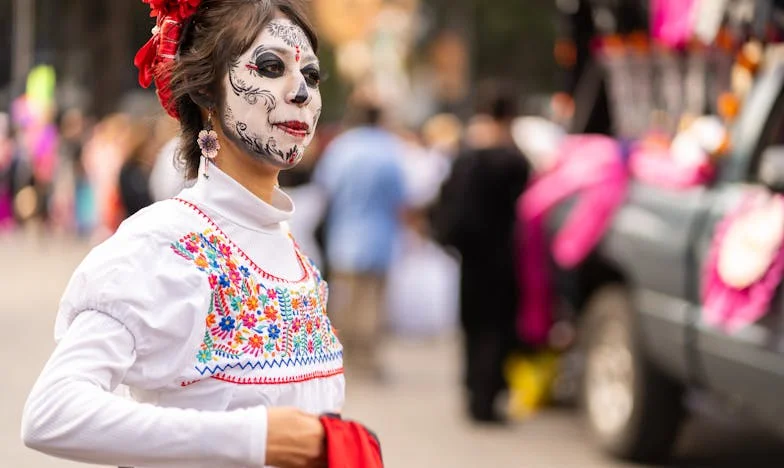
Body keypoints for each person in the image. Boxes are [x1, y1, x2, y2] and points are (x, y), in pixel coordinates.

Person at [22, 1, 343, 467]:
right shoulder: (167, 245)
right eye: (270, 67)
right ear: (206, 91)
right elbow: (52, 413)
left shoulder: (293, 253)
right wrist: (251, 438)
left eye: (312, 76)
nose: (300, 92)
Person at [432, 87, 531, 423]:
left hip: (470, 256)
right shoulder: (514, 160)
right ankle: (487, 400)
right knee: (496, 327)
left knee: (473, 326)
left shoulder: (466, 156)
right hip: (502, 255)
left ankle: (473, 394)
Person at [313, 96, 406, 381]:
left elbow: (324, 187)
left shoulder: (342, 148)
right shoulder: (389, 150)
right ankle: (368, 359)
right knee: (373, 302)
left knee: (346, 300)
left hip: (345, 235)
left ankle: (345, 356)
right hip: (380, 236)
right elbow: (401, 197)